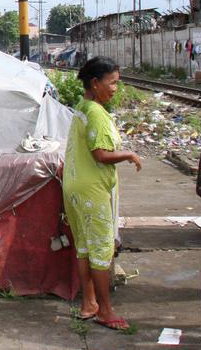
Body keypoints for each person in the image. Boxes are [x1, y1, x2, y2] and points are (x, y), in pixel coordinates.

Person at [62, 56, 142, 330]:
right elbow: (101, 154)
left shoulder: (82, 107)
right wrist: (129, 154)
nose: (116, 88)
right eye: (112, 83)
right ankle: (105, 311)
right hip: (91, 190)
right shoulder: (95, 112)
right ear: (95, 83)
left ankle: (89, 303)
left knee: (84, 247)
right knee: (101, 250)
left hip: (74, 186)